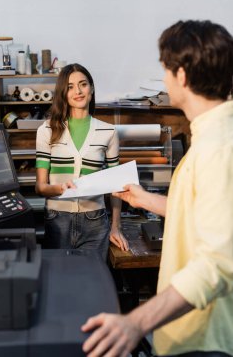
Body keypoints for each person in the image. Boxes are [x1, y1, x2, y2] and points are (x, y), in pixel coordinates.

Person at [81, 20, 233, 356]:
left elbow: (218, 263)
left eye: (165, 70)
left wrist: (135, 322)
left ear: (181, 75)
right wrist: (145, 199)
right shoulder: (213, 136)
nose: (163, 79)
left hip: (203, 337)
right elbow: (202, 212)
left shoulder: (220, 149)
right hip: (187, 331)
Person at [35, 63, 128, 260]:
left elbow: (117, 187)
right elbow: (40, 187)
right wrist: (61, 188)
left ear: (91, 89)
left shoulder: (108, 132)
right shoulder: (47, 130)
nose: (77, 91)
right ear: (63, 92)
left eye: (83, 84)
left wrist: (115, 227)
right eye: (70, 87)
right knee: (59, 284)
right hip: (57, 221)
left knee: (92, 285)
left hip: (95, 222)